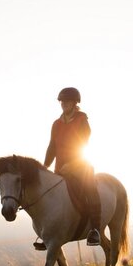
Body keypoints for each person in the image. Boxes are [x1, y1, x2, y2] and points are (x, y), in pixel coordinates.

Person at [43, 87, 101, 247]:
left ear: (75, 103)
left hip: (81, 167)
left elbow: (84, 144)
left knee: (90, 191)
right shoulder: (56, 124)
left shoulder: (82, 119)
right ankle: (48, 232)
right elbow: (51, 147)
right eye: (62, 101)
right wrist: (44, 166)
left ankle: (95, 230)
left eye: (67, 101)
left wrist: (73, 164)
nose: (64, 104)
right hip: (60, 169)